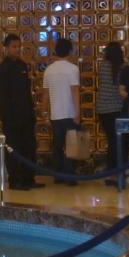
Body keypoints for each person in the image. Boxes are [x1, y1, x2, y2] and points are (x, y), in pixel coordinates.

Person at [0, 33, 39, 189]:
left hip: (26, 115)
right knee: (14, 148)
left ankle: (29, 178)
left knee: (29, 147)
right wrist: (8, 117)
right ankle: (15, 180)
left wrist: (31, 112)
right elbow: (4, 96)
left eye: (19, 46)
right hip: (12, 118)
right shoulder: (2, 69)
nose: (17, 49)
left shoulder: (22, 66)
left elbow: (27, 92)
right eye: (14, 46)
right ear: (6, 48)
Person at [42, 38, 81, 181]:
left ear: (56, 51)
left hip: (55, 114)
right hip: (70, 113)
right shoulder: (73, 69)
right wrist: (78, 112)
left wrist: (44, 112)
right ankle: (70, 176)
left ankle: (58, 175)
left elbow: (45, 93)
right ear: (69, 51)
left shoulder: (49, 70)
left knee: (57, 146)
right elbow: (74, 91)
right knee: (72, 146)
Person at [97, 42, 124, 175]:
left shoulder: (103, 66)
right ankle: (116, 170)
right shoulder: (123, 67)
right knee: (117, 141)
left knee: (111, 140)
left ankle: (111, 169)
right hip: (117, 108)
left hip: (102, 108)